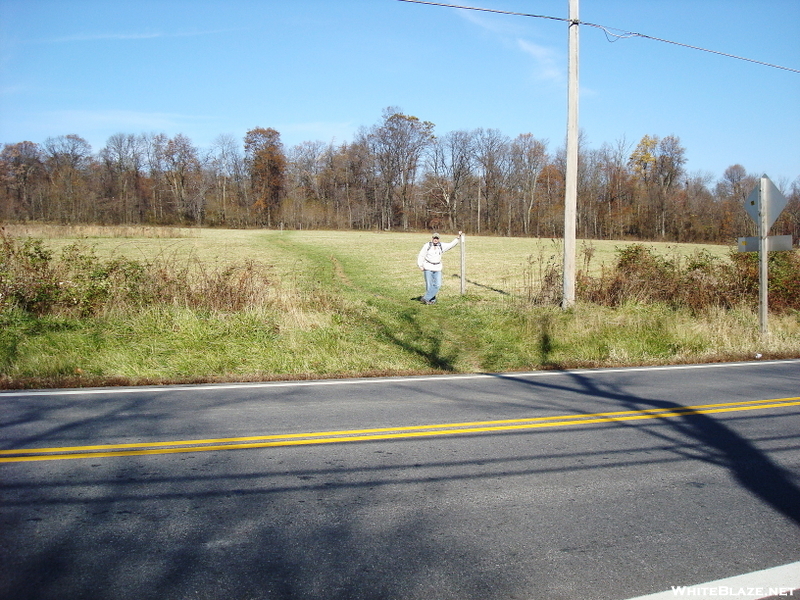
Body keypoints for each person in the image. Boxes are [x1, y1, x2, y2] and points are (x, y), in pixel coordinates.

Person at [416, 231, 461, 304]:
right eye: (434, 238)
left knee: (438, 284)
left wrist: (458, 237)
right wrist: (420, 265)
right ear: (432, 238)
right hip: (428, 267)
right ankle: (431, 300)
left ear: (439, 239)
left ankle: (425, 298)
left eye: (437, 238)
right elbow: (421, 255)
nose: (435, 239)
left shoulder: (441, 246)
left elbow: (451, 245)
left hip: (437, 268)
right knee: (429, 285)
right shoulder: (427, 245)